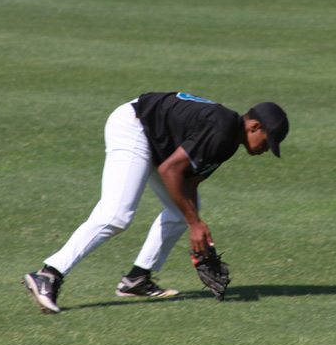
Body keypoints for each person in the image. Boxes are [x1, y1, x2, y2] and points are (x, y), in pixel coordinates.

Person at [23, 92, 289, 313]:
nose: (267, 148)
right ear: (254, 127)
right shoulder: (221, 129)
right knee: (116, 215)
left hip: (155, 139)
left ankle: (137, 279)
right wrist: (195, 224)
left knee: (183, 210)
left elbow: (188, 181)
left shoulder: (228, 142)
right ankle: (48, 274)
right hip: (134, 126)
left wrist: (199, 230)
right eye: (269, 141)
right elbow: (170, 170)